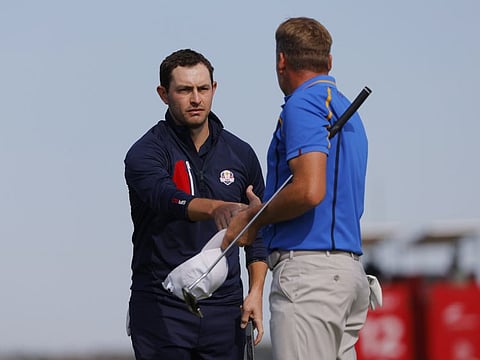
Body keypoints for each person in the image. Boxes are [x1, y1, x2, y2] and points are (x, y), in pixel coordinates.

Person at [223, 17, 370, 359]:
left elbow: (308, 190)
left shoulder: (303, 104)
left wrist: (254, 217)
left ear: (281, 61)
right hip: (346, 275)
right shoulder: (344, 105)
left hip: (310, 278)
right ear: (329, 62)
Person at [124, 48, 268, 360]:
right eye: (184, 90)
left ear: (214, 89)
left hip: (226, 310)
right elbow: (164, 197)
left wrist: (256, 292)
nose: (196, 99)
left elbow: (258, 234)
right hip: (161, 307)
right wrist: (217, 208)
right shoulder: (144, 152)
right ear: (164, 94)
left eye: (203, 89)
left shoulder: (241, 154)